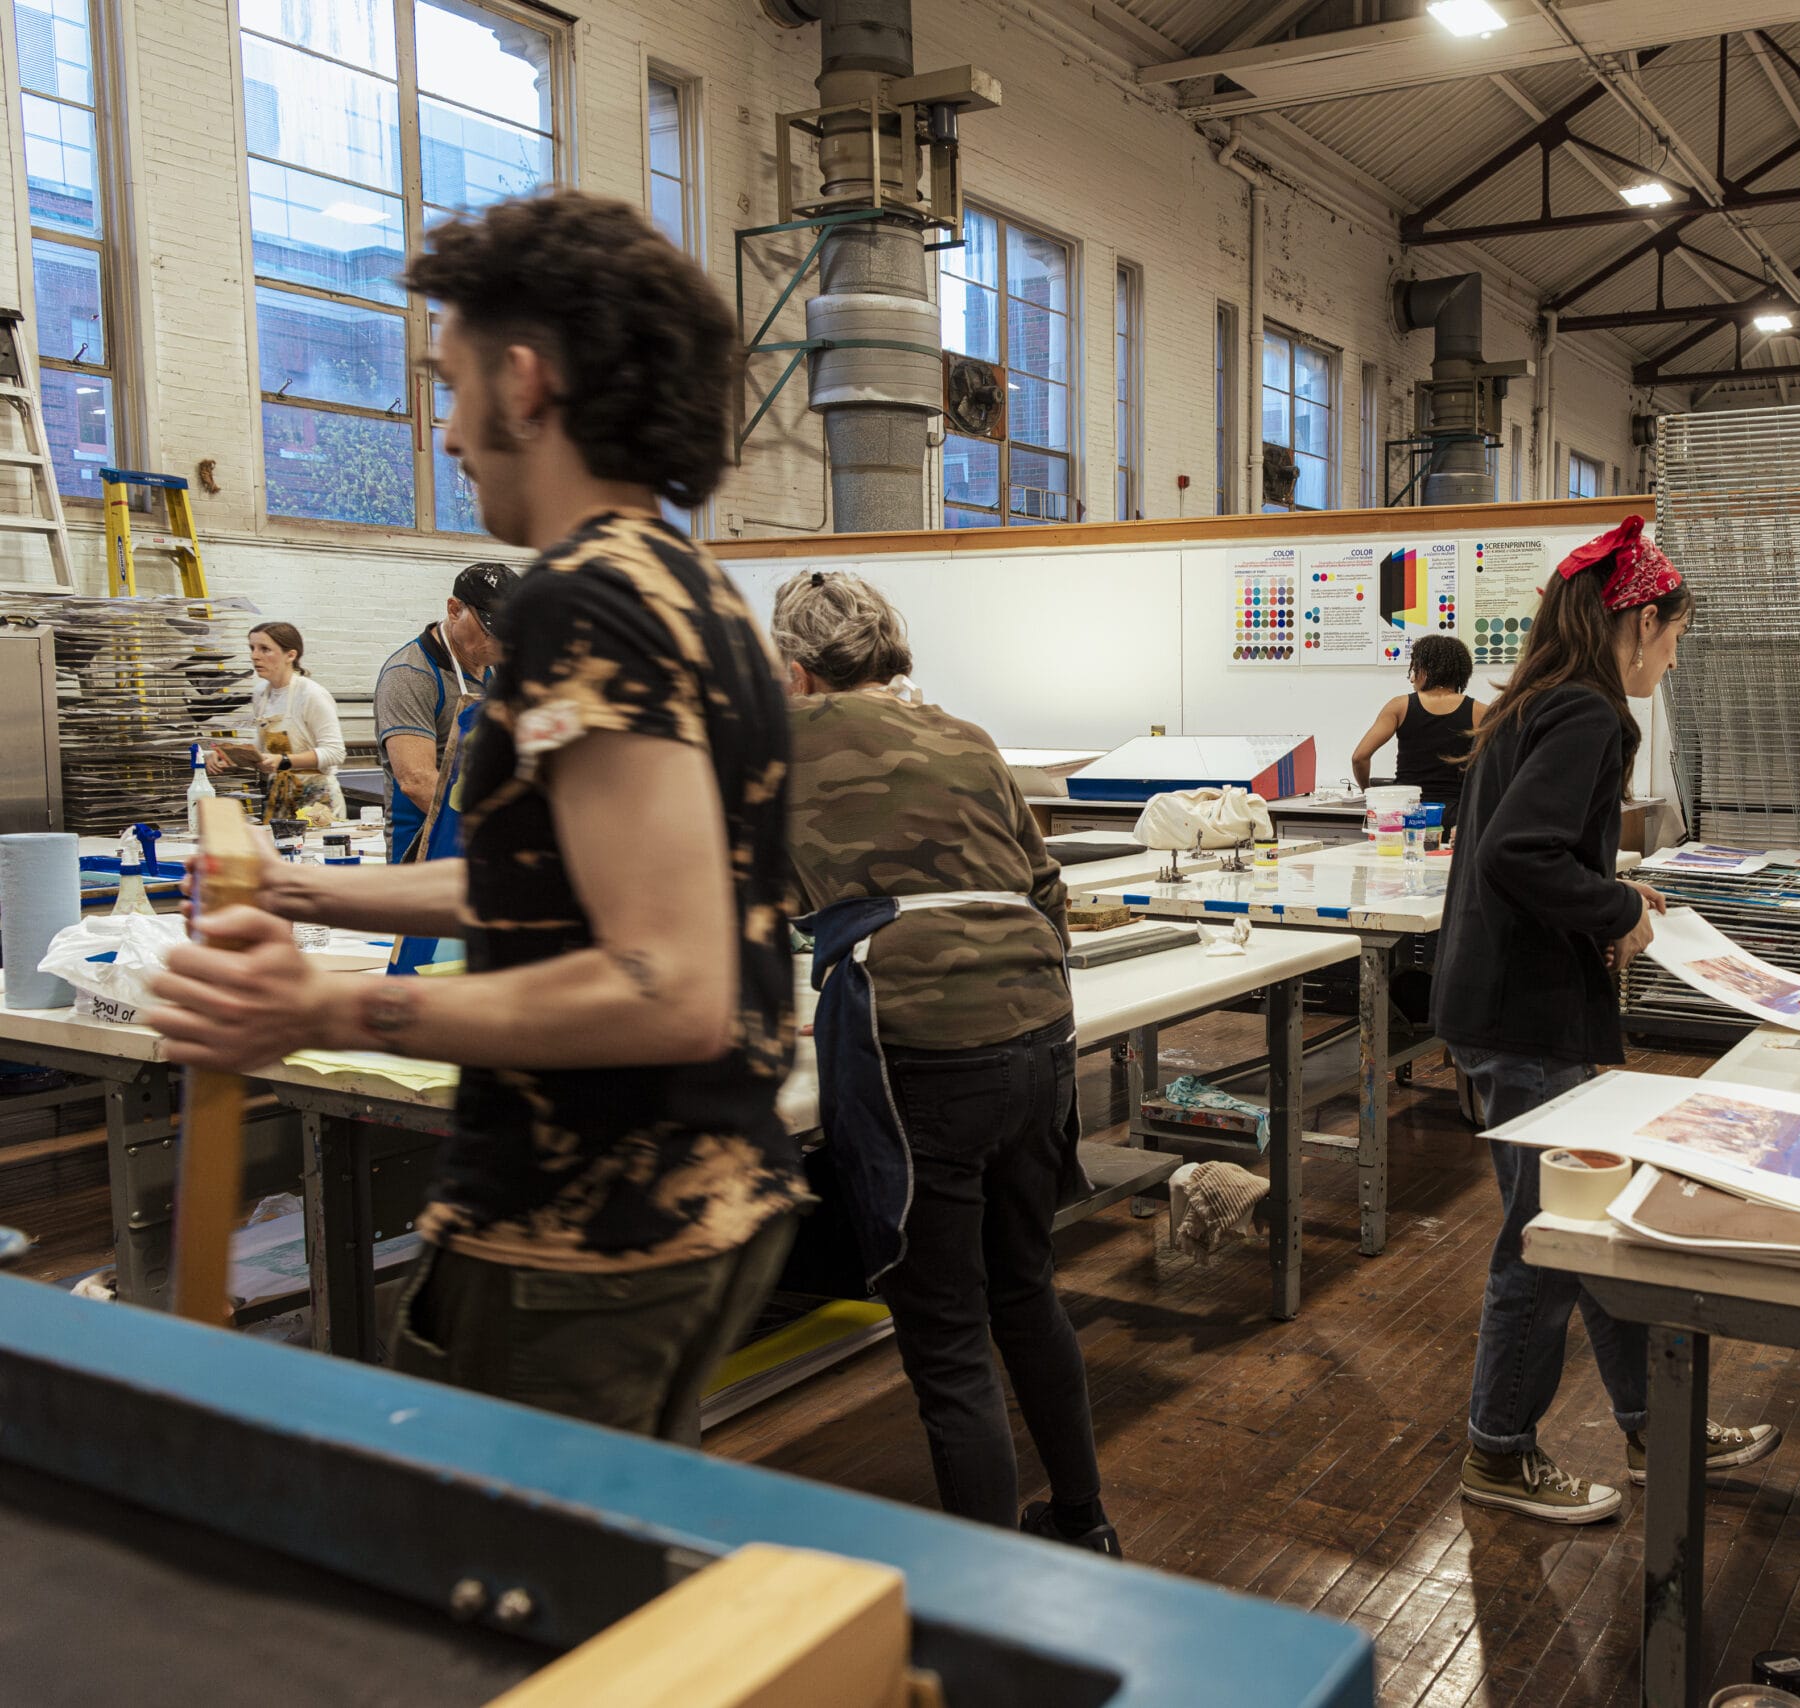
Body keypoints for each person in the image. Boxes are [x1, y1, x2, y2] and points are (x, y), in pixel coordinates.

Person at [147, 189, 795, 1443]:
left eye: (449, 386)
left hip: (584, 1224)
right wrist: (297, 891)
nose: (446, 433)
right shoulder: (691, 588)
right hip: (698, 1195)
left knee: (506, 1603)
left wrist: (324, 1006)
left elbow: (664, 983)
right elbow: (553, 885)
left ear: (525, 381)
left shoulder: (579, 601)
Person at [1435, 515, 1779, 1524]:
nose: (1671, 658)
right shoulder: (1589, 714)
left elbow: (1526, 852)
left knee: (1594, 1224)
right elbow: (1518, 857)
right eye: (1671, 637)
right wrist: (1618, 908)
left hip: (1502, 1000)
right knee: (1545, 1240)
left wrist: (1617, 887)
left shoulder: (1537, 700)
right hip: (1530, 1014)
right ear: (1634, 623)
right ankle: (1497, 1452)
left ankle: (1651, 1423)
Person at [773, 570, 1117, 1557]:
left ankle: (987, 1595)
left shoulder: (777, 743)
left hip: (922, 1052)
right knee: (1024, 1287)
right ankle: (1084, 1521)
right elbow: (1045, 888)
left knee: (946, 1329)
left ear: (794, 672)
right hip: (1036, 1032)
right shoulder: (965, 734)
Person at [376, 562, 519, 860]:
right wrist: (497, 832)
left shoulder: (502, 671)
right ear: (454, 610)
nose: (499, 644)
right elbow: (416, 781)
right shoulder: (410, 674)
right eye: (490, 631)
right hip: (427, 851)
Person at [204, 621, 345, 826]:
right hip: (279, 797)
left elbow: (335, 752)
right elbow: (262, 748)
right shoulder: (261, 693)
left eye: (265, 649)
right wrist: (227, 755)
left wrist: (283, 761)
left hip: (317, 799)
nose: (255, 656)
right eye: (252, 648)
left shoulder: (311, 694)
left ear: (291, 655)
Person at [1350, 632, 1478, 810]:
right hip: (1457, 812)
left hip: (1407, 811)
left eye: (1414, 668)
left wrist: (1369, 794)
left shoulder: (1399, 707)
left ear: (1425, 670)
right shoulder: (1480, 712)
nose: (1412, 677)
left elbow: (1359, 757)